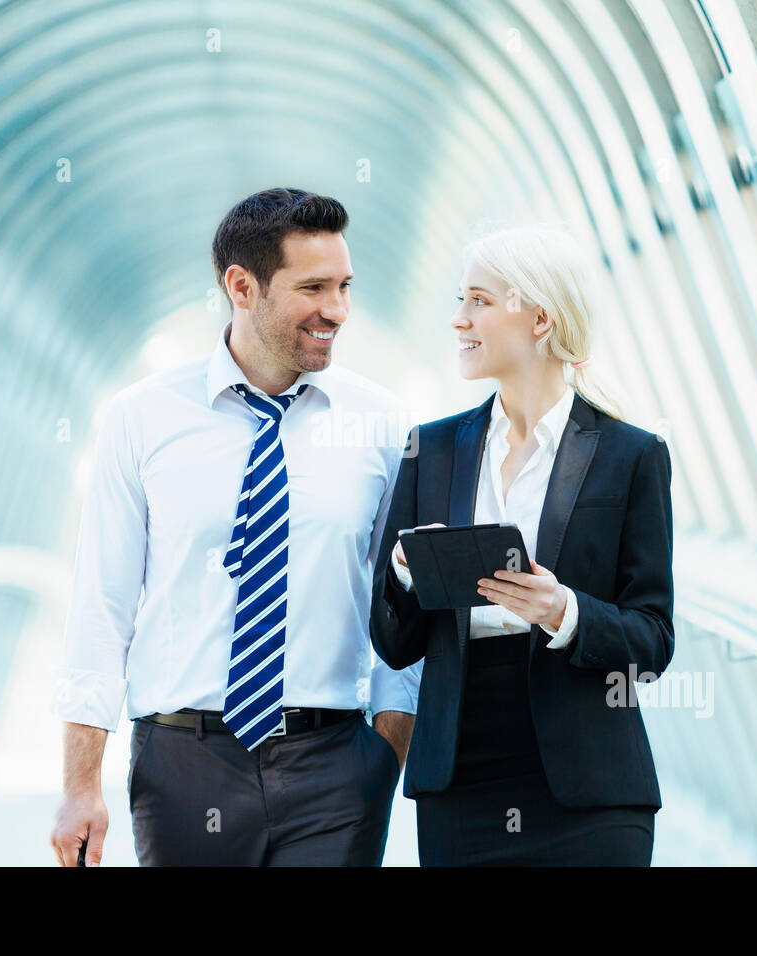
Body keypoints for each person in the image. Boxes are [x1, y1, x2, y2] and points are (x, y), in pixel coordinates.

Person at [50, 187, 420, 866]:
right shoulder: (141, 419)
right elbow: (101, 608)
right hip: (183, 765)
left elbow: (401, 604)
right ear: (242, 286)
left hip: (335, 769)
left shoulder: (382, 425)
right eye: (313, 288)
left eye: (344, 286)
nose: (336, 310)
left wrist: (384, 760)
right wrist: (80, 786)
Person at [369, 225, 674, 866]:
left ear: (539, 317)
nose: (459, 320)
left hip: (591, 789)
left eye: (478, 300)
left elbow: (652, 642)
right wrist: (405, 572)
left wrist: (563, 611)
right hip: (461, 779)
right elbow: (394, 644)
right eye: (460, 300)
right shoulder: (433, 450)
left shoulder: (631, 455)